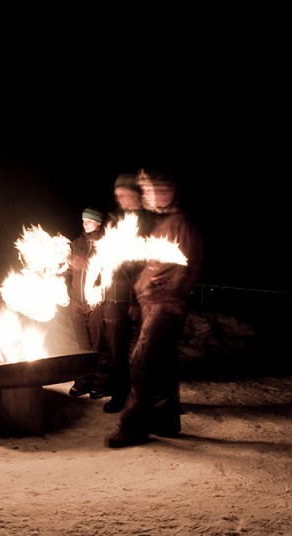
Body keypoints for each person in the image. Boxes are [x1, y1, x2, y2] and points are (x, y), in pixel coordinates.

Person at [105, 169, 203, 448]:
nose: (156, 195)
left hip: (165, 305)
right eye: (153, 190)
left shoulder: (183, 222)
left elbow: (190, 266)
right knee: (163, 364)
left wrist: (171, 293)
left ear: (174, 192)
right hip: (152, 302)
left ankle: (132, 427)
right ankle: (166, 421)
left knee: (141, 360)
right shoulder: (162, 222)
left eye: (163, 189)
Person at [100, 173, 153, 412]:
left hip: (136, 297)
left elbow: (142, 264)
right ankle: (118, 394)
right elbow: (106, 257)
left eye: (123, 193)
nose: (119, 198)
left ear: (135, 194)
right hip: (112, 293)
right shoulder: (114, 219)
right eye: (116, 194)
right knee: (115, 350)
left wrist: (134, 299)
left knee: (144, 350)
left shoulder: (148, 222)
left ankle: (146, 396)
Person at [65, 207, 108, 398]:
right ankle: (83, 381)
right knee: (82, 346)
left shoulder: (107, 244)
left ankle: (101, 383)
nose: (85, 224)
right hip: (76, 302)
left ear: (98, 223)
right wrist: (67, 287)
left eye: (89, 221)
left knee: (98, 345)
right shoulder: (76, 243)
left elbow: (111, 274)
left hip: (96, 303)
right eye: (83, 221)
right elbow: (67, 270)